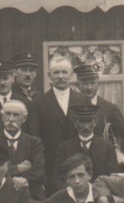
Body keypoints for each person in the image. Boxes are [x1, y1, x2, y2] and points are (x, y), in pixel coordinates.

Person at [26, 55, 86, 193]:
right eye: (56, 72)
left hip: (79, 164)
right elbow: (35, 137)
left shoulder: (83, 100)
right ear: (49, 76)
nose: (60, 76)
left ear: (71, 75)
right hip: (52, 167)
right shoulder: (39, 103)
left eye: (64, 72)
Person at [0, 99, 46, 200]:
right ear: (2, 117)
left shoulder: (34, 142)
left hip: (30, 193)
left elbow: (39, 172)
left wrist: (24, 180)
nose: (11, 119)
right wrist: (18, 168)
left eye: (16, 115)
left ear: (24, 119)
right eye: (7, 114)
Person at [52, 104, 118, 189]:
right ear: (75, 122)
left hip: (99, 194)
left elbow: (111, 178)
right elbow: (57, 178)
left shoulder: (107, 148)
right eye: (82, 121)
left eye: (89, 121)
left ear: (95, 122)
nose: (86, 126)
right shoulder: (64, 148)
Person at [72, 63, 124, 154]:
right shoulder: (72, 108)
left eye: (92, 83)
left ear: (98, 83)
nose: (89, 87)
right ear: (78, 84)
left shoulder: (110, 108)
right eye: (85, 83)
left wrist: (119, 153)